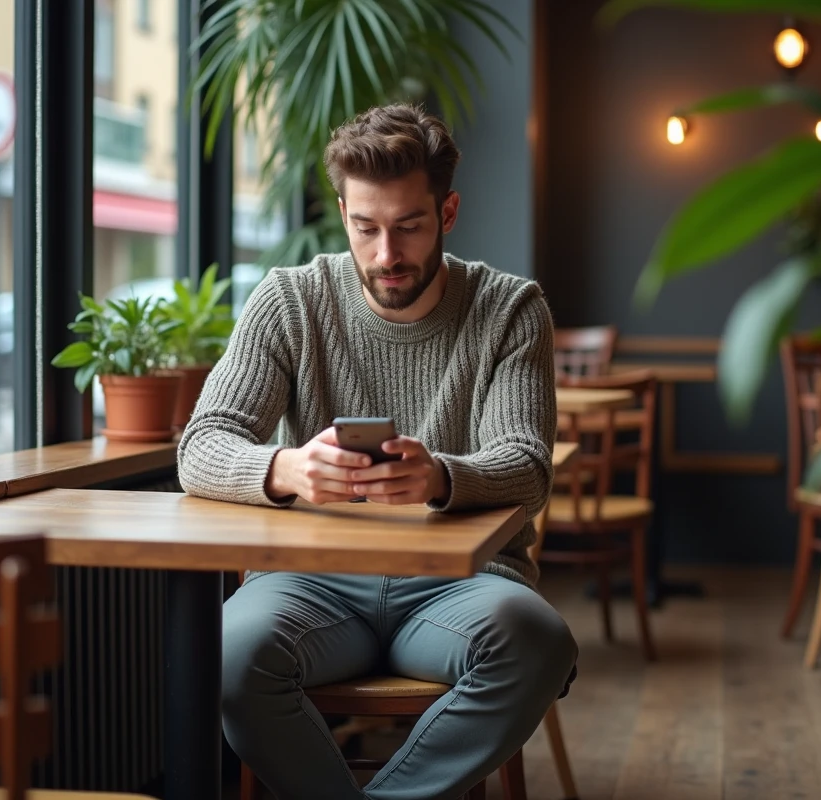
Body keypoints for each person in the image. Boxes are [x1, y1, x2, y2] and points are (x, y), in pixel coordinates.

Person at [177, 103, 577, 800]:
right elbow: (202, 445)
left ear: (447, 213)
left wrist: (442, 476)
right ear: (342, 213)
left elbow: (528, 466)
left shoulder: (511, 309)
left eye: (409, 226)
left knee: (538, 645)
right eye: (365, 228)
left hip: (463, 587)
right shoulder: (290, 300)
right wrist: (286, 469)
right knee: (223, 659)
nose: (387, 254)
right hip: (308, 583)